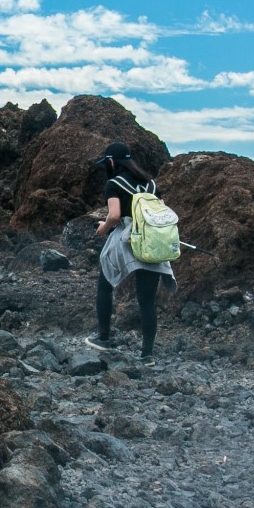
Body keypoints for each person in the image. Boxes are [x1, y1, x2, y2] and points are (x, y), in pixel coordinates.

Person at [88, 141, 173, 362]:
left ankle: (103, 339)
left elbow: (115, 216)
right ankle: (147, 355)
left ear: (111, 162)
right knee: (146, 300)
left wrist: (103, 228)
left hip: (126, 239)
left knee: (105, 284)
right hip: (151, 240)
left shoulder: (114, 184)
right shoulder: (151, 185)